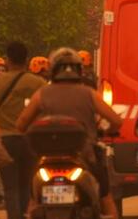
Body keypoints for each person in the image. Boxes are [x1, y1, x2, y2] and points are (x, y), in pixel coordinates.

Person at [17, 48, 124, 219]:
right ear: (80, 70)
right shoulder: (89, 94)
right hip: (85, 156)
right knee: (105, 194)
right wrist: (104, 131)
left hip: (46, 158)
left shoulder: (41, 94)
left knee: (33, 197)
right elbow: (117, 121)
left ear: (52, 71)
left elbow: (21, 123)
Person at [0, 42, 47, 219]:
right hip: (29, 140)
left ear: (7, 60)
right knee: (25, 184)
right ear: (26, 60)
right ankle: (25, 214)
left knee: (10, 186)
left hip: (5, 141)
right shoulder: (38, 82)